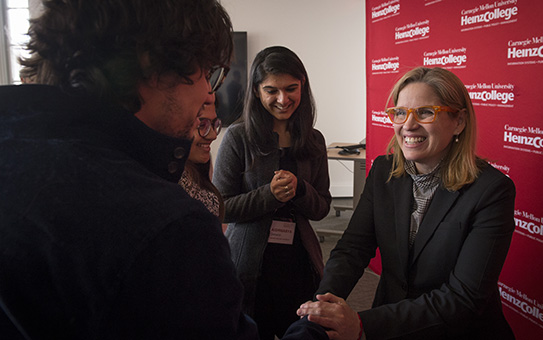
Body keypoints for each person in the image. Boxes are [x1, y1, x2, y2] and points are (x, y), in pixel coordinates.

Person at [0, 1, 326, 339]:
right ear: (152, 65)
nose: (207, 92)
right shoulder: (167, 225)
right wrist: (316, 332)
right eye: (206, 72)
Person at [297, 67, 516, 340]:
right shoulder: (383, 171)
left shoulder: (491, 191)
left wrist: (362, 325)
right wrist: (324, 307)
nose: (408, 125)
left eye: (425, 112)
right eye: (400, 113)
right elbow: (352, 249)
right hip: (391, 324)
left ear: (459, 121)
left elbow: (464, 298)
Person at [213, 46, 332, 340]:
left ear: (303, 84)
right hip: (251, 267)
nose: (283, 99)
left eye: (291, 89)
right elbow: (220, 206)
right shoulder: (238, 137)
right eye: (271, 91)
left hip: (299, 263)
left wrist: (300, 189)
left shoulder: (314, 140)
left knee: (302, 332)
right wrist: (270, 195)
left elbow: (322, 207)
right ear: (256, 91)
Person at [178, 102, 225, 222]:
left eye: (214, 124)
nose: (213, 135)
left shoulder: (199, 165)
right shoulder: (168, 178)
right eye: (202, 125)